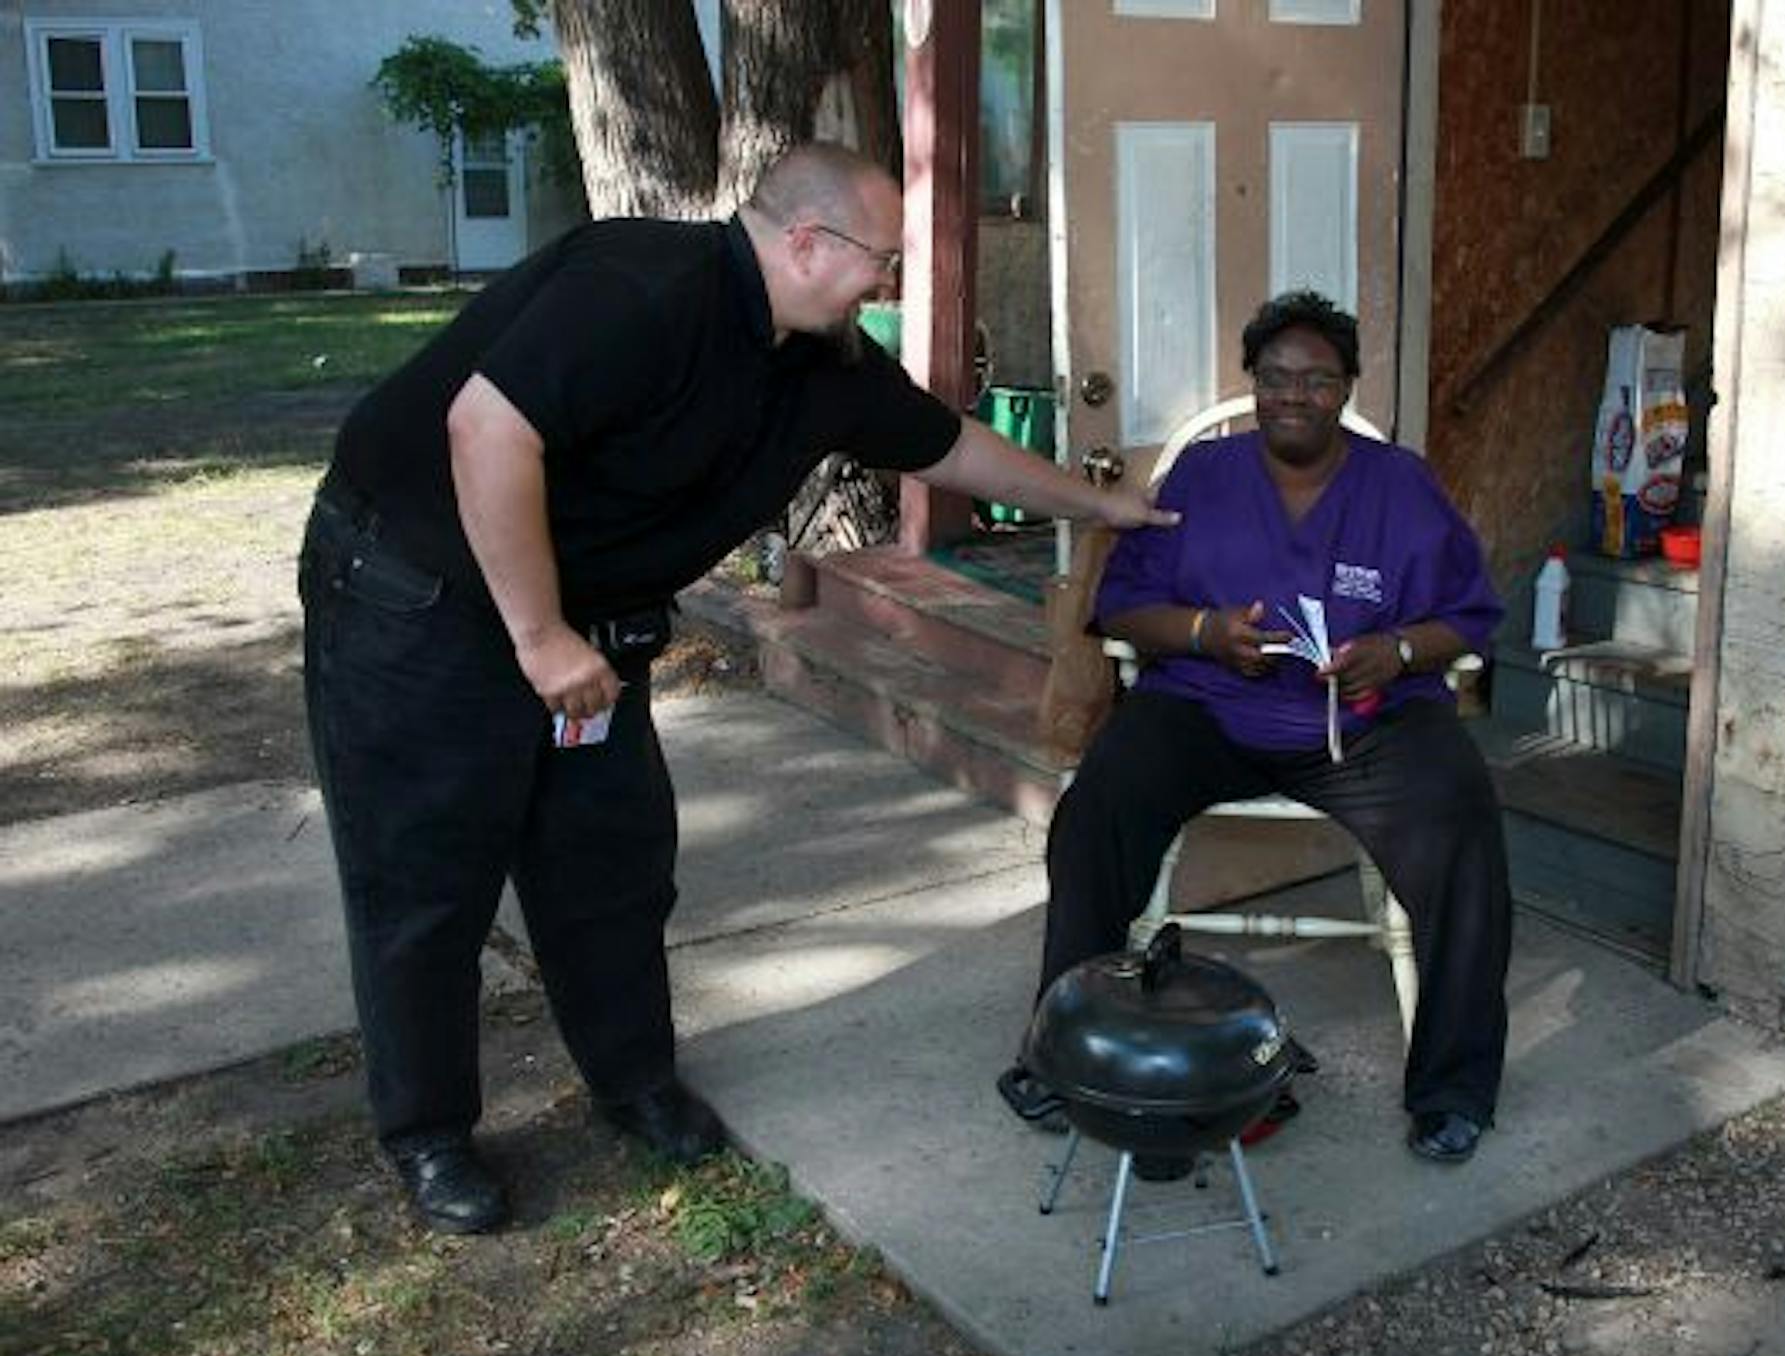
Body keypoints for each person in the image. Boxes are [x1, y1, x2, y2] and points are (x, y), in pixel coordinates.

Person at [301, 141, 1172, 1234]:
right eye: (882, 261)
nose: (890, 285)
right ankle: (428, 1132)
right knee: (424, 876)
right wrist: (539, 636)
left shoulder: (820, 361)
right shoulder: (638, 289)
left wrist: (1098, 510)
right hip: (422, 594)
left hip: (588, 622)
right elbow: (487, 429)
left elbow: (946, 446)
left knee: (610, 861)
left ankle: (633, 1080)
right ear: (809, 242)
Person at [997, 291, 1512, 1164]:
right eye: (1274, 378)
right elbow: (1124, 611)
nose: (1292, 396)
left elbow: (1469, 616)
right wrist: (1206, 634)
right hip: (1208, 707)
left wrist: (1395, 650)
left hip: (1365, 719)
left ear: (1347, 386)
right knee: (1097, 810)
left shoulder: (1400, 485)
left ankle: (1452, 1089)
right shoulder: (1202, 477)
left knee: (1462, 825)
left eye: (1316, 379)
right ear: (1254, 382)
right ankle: (1068, 1053)